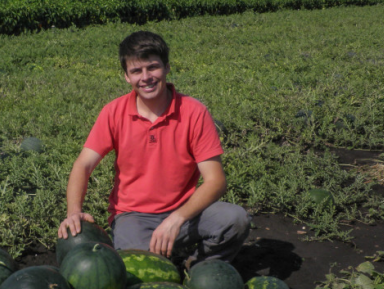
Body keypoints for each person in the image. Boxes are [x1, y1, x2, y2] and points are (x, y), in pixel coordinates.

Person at [57, 30, 250, 266]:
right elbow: (83, 164)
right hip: (132, 216)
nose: (146, 77)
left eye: (152, 67)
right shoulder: (113, 112)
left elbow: (215, 180)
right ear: (126, 77)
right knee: (140, 268)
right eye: (136, 71)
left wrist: (177, 218)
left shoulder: (193, 111)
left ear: (167, 67)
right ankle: (166, 261)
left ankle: (201, 267)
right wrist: (73, 211)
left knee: (234, 219)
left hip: (185, 213)